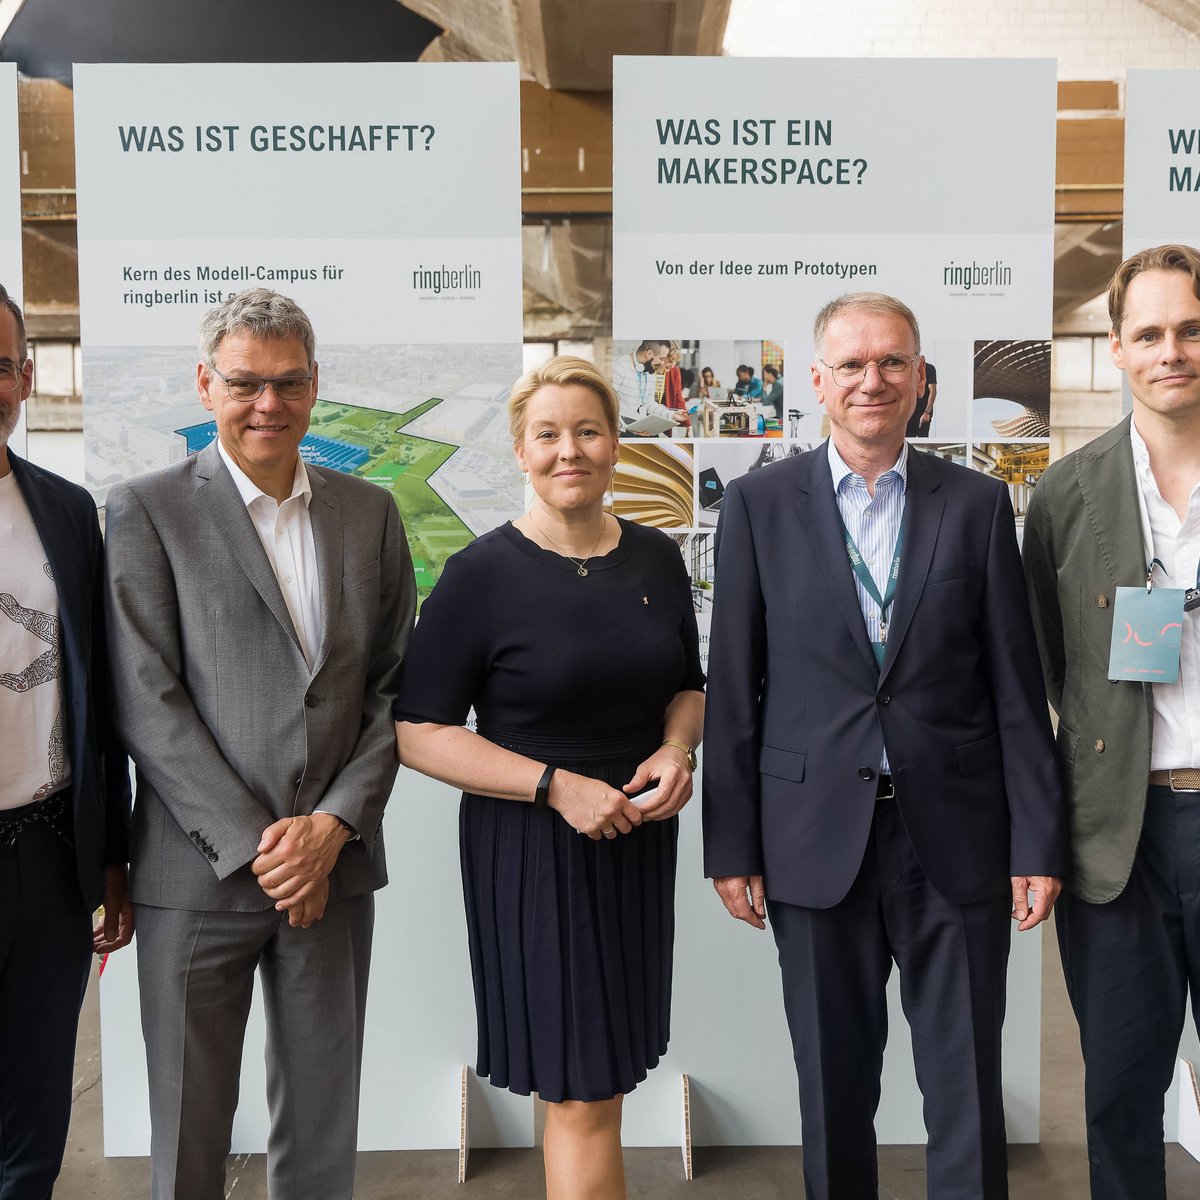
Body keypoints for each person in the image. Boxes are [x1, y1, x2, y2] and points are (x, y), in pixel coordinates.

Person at [703, 291, 1067, 1200]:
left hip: (957, 841)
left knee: (966, 1092)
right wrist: (732, 845)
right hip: (810, 838)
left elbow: (1015, 690)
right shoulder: (756, 506)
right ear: (817, 382)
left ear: (921, 382)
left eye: (894, 363)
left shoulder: (978, 505)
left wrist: (1035, 842)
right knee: (832, 1089)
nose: (875, 381)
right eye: (854, 365)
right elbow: (735, 689)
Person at [104, 288, 415, 1200]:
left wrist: (331, 828)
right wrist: (259, 847)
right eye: (245, 383)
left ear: (315, 386)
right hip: (197, 873)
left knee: (323, 1124)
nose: (267, 404)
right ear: (207, 385)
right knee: (190, 1127)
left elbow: (396, 690)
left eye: (287, 383)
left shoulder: (369, 514)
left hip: (335, 866)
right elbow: (145, 698)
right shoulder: (147, 510)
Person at [394, 355, 704, 1200]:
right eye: (548, 434)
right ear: (521, 451)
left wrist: (678, 750)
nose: (570, 449)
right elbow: (418, 734)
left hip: (634, 840)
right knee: (581, 1084)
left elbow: (688, 687)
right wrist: (555, 786)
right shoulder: (479, 575)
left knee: (581, 1077)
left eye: (589, 431)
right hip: (532, 846)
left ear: (613, 446)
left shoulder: (654, 560)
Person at [1022, 242, 1200, 1200]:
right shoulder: (1064, 494)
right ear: (1118, 348)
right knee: (1121, 1097)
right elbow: (1052, 667)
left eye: (1190, 329)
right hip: (1117, 840)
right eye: (1150, 334)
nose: (1172, 350)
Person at [0, 283, 132, 1198]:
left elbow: (106, 703)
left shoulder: (68, 512)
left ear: (25, 376)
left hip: (44, 856)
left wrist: (112, 856)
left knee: (35, 1109)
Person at [610, 339, 690, 432]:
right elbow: (606, 404)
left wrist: (672, 414)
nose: (662, 363)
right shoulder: (618, 366)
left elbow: (649, 404)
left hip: (636, 428)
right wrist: (628, 428)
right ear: (649, 354)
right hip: (619, 431)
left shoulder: (650, 372)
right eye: (661, 359)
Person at [905, 360, 938, 438]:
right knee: (907, 440)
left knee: (922, 438)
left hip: (923, 412)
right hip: (909, 412)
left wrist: (927, 412)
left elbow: (933, 392)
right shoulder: (907, 368)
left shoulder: (929, 368)